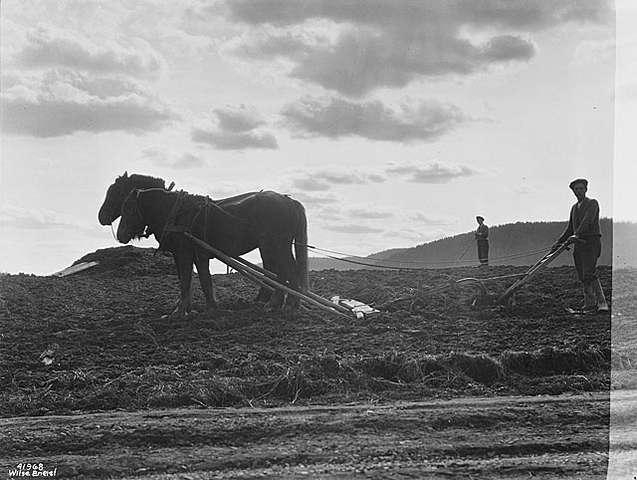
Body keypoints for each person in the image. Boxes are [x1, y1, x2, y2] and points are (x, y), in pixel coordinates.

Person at [552, 178, 609, 313]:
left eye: (581, 188)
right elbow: (570, 228)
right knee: (582, 274)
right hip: (578, 244)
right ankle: (589, 303)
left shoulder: (592, 203)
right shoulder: (574, 208)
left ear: (586, 189)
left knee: (589, 271)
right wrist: (559, 241)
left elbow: (587, 221)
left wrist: (577, 234)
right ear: (573, 191)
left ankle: (602, 303)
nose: (579, 191)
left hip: (590, 242)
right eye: (576, 189)